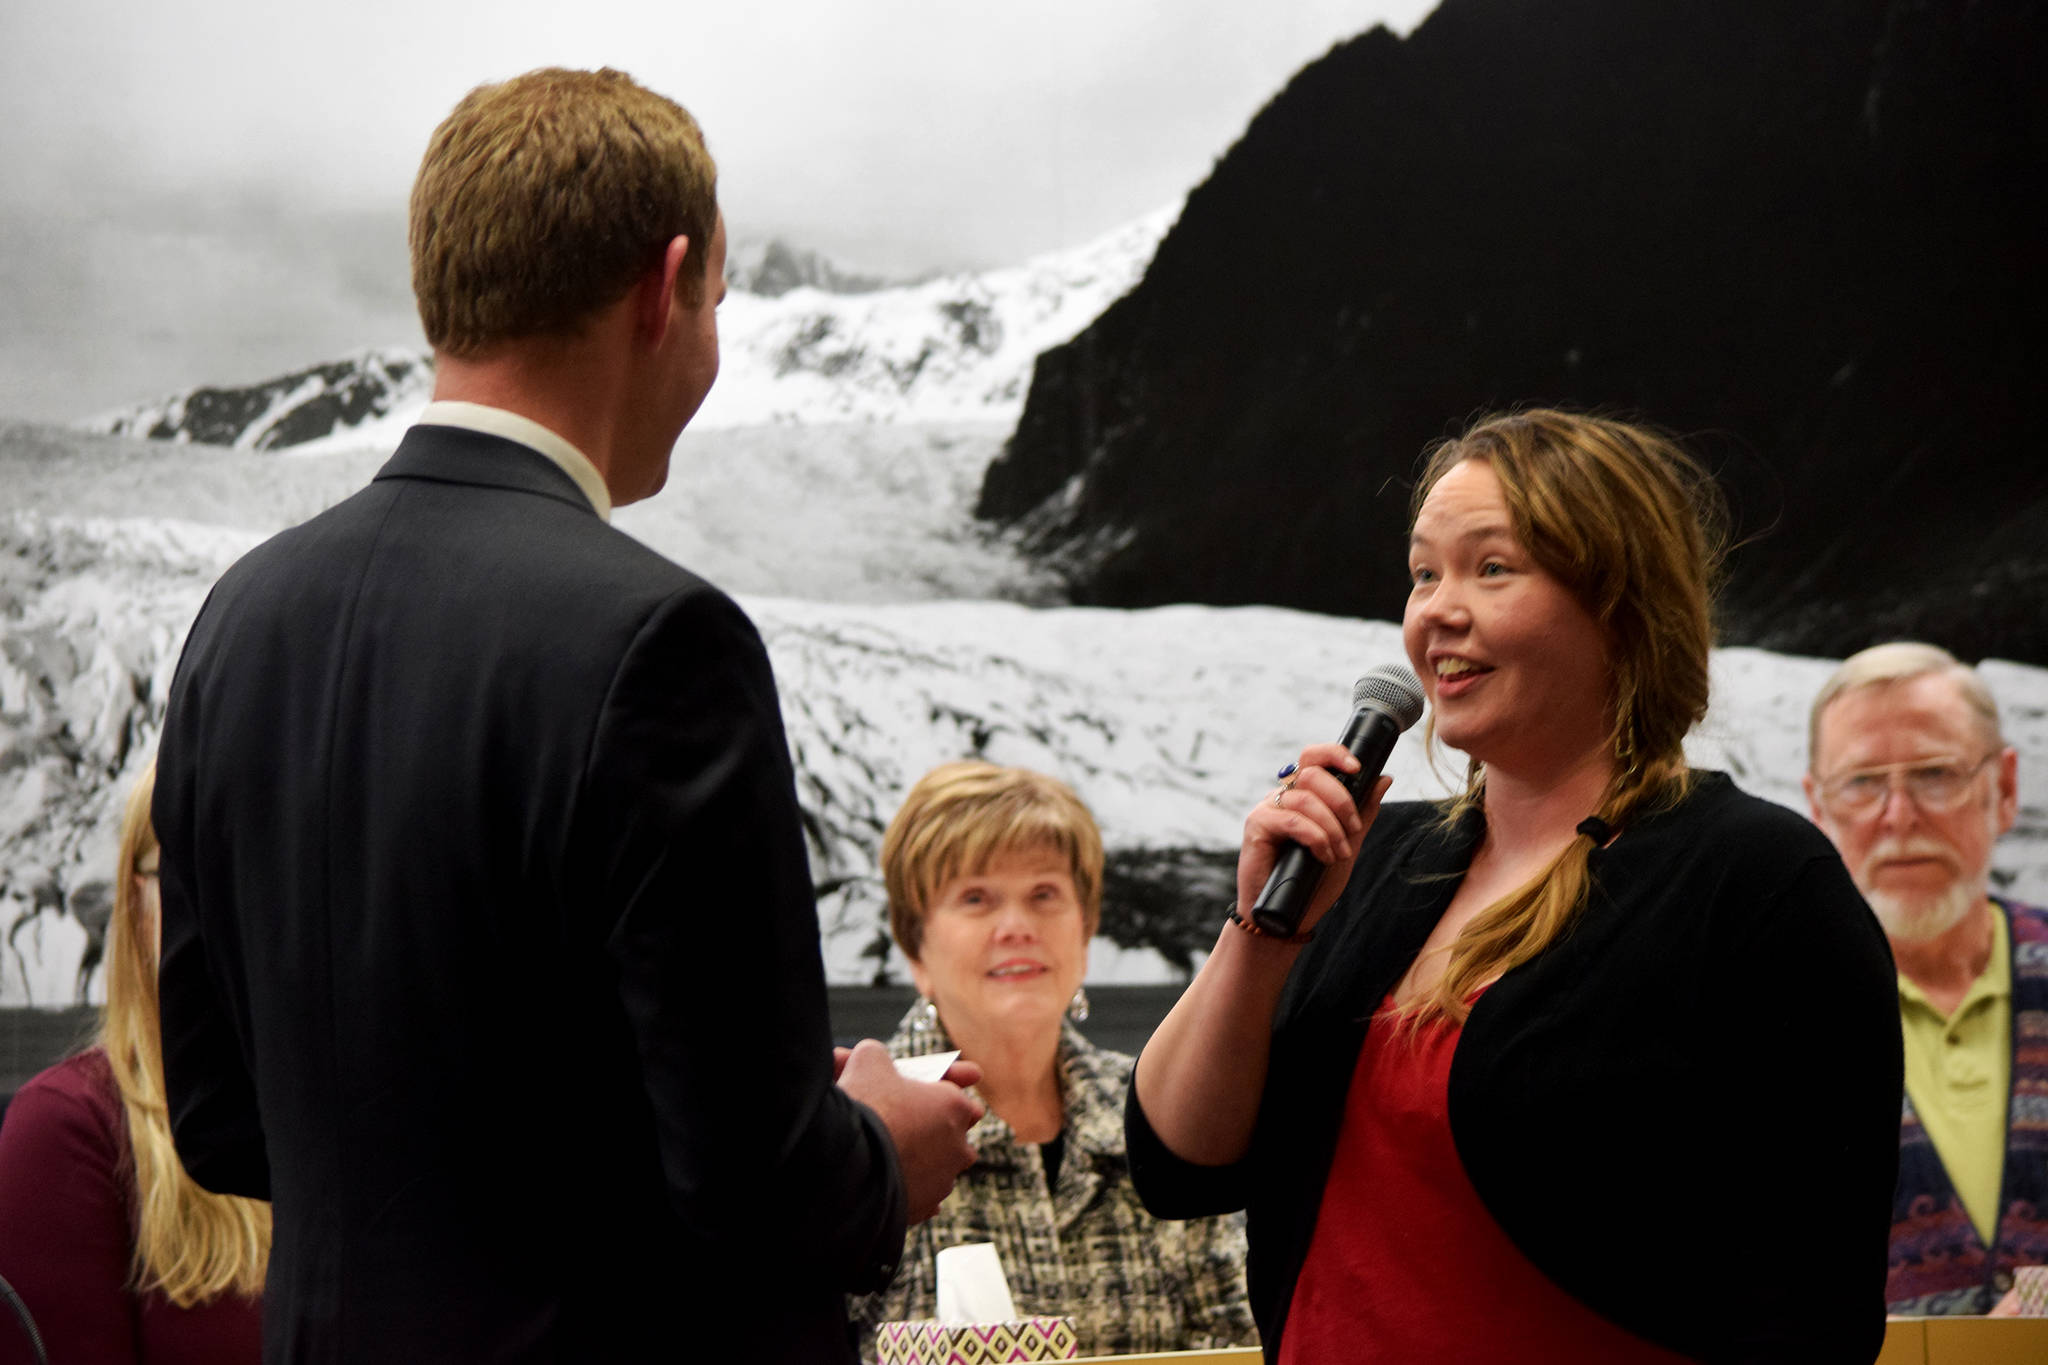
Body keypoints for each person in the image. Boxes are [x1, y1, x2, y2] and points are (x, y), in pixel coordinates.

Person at [152, 67, 981, 1364]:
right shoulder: (662, 647)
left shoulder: (240, 622)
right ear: (665, 288)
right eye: (716, 295)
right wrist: (883, 1146)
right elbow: (759, 1194)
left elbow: (214, 1113)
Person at [1127, 409, 1903, 1362]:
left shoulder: (1757, 883)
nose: (1436, 611)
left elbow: (1812, 1315)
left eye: (1490, 567)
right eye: (1423, 572)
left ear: (1619, 605)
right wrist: (1262, 934)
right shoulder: (1374, 859)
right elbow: (1176, 1163)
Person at [847, 762, 1256, 1359]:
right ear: (916, 947)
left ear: (1086, 929)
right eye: (976, 898)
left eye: (1044, 894)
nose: (1016, 927)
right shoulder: (860, 1137)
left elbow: (1239, 1340)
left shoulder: (1163, 1112)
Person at [1805, 642, 2048, 1315]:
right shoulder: (1763, 1020)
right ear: (1816, 808)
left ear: (2004, 788)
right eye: (1861, 782)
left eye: (1936, 773)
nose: (1899, 815)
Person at [0, 763, 267, 1364]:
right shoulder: (69, 1131)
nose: (232, 909)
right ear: (135, 901)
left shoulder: (353, 1116)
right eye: (189, 877)